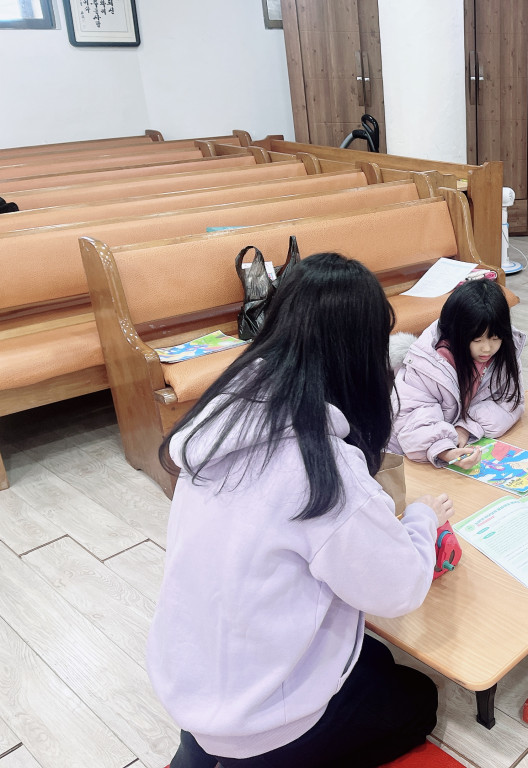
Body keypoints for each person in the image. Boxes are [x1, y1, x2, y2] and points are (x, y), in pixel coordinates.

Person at [147, 253, 449, 768]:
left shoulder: (223, 413)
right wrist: (423, 519)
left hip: (191, 679)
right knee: (419, 698)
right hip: (264, 720)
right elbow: (398, 590)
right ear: (360, 352)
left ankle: (202, 752)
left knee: (374, 658)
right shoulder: (322, 469)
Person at [389, 278, 525, 468]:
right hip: (406, 456)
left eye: (495, 338)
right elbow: (413, 421)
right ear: (456, 333)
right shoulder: (428, 365)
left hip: (457, 447)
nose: (487, 348)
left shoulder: (505, 354)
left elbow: (510, 402)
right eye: (477, 340)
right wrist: (444, 450)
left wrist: (465, 428)